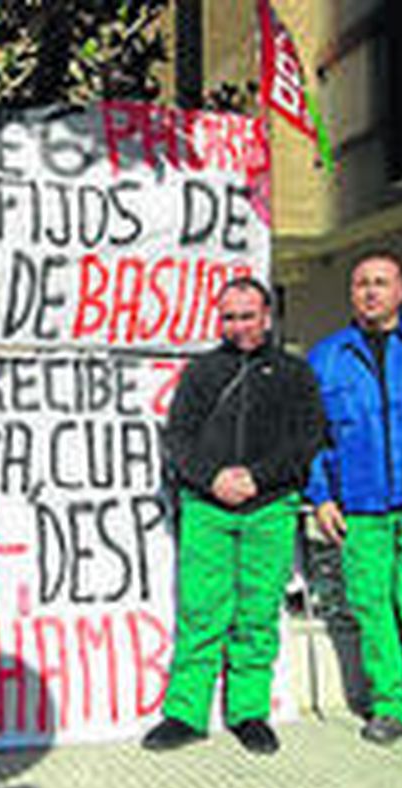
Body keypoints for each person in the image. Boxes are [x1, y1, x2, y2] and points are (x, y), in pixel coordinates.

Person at [143, 276, 325, 756]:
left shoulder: (295, 373)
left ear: (267, 316)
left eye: (248, 315)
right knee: (201, 611)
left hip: (270, 507)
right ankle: (185, 712)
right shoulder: (201, 372)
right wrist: (212, 478)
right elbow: (177, 437)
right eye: (229, 317)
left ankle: (248, 712)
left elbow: (307, 439)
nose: (239, 325)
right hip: (207, 505)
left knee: (256, 613)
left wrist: (257, 478)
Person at [306, 252, 402, 746]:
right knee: (371, 606)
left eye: (381, 282)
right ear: (351, 294)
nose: (371, 292)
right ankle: (390, 703)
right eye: (361, 284)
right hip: (361, 505)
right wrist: (322, 498)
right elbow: (312, 437)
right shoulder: (326, 357)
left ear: (401, 290)